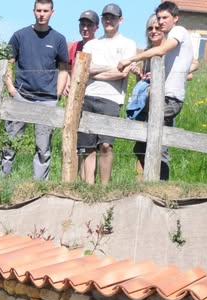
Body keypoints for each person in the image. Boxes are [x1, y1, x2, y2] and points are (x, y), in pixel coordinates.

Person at [117, 2, 193, 181]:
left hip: (169, 98)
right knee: (144, 142)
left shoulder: (178, 32)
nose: (160, 22)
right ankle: (146, 182)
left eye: (164, 18)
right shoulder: (171, 42)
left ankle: (160, 185)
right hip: (158, 97)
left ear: (175, 18)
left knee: (157, 142)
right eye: (158, 18)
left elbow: (165, 50)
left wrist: (130, 59)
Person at [0, 0, 70, 180]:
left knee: (43, 147)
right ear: (33, 11)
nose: (42, 14)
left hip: (47, 99)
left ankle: (39, 187)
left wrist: (57, 94)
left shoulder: (59, 39)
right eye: (39, 10)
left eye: (45, 11)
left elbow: (63, 69)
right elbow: (8, 62)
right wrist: (11, 89)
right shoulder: (20, 35)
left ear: (52, 13)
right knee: (10, 142)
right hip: (21, 96)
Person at [78, 3, 137, 184]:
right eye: (105, 17)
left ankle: (103, 188)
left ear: (121, 20)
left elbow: (123, 73)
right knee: (87, 146)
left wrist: (96, 71)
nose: (108, 20)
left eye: (112, 17)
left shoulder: (128, 44)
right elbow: (84, 70)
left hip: (111, 99)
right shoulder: (91, 45)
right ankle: (88, 186)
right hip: (88, 96)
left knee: (106, 145)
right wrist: (110, 69)